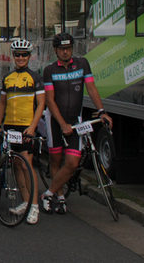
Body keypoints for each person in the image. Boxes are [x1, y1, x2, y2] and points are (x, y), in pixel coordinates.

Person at [41, 32, 113, 214]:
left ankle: (48, 193)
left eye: (68, 48)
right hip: (55, 120)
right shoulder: (50, 70)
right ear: (55, 50)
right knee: (56, 159)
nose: (65, 52)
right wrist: (62, 124)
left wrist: (102, 111)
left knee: (72, 162)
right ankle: (60, 196)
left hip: (75, 120)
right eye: (62, 49)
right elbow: (49, 100)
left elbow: (91, 88)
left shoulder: (82, 64)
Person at [0, 39, 45, 225]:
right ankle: (25, 201)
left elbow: (41, 104)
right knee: (16, 164)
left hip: (26, 126)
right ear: (13, 56)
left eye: (24, 55)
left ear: (29, 56)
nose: (21, 58)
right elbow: (2, 103)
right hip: (10, 126)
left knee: (26, 165)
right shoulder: (7, 78)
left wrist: (32, 127)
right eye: (17, 55)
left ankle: (34, 205)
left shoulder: (34, 77)